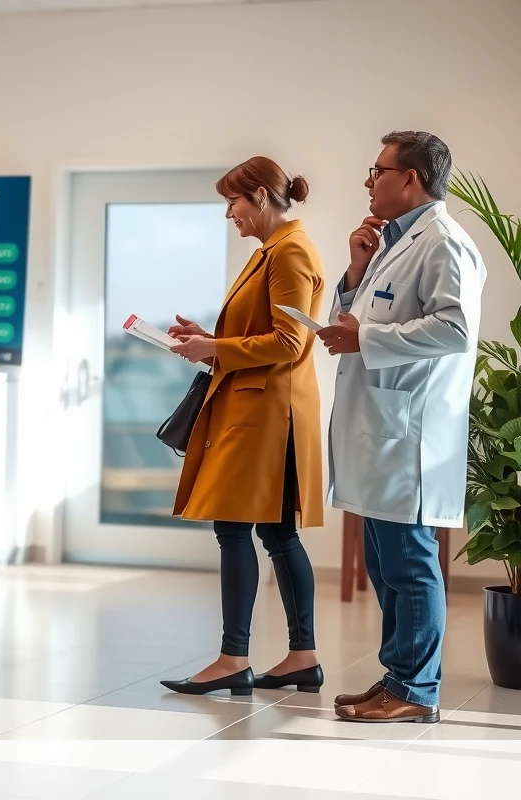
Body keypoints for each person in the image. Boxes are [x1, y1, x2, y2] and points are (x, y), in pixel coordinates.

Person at [318, 131, 485, 723]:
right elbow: (364, 312)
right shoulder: (395, 242)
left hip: (410, 432)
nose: (369, 181)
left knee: (410, 564)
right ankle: (397, 675)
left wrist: (364, 337)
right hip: (380, 427)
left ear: (409, 178)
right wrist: (357, 269)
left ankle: (417, 690)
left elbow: (456, 328)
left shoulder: (443, 243)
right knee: (387, 564)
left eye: (377, 170)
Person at [160, 156, 327, 697]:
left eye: (232, 202)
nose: (229, 213)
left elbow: (290, 342)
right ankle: (301, 655)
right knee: (276, 534)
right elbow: (267, 335)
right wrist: (209, 342)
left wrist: (213, 347)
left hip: (267, 417)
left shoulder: (290, 252)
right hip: (261, 412)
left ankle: (236, 657)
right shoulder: (272, 253)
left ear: (259, 196)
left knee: (240, 530)